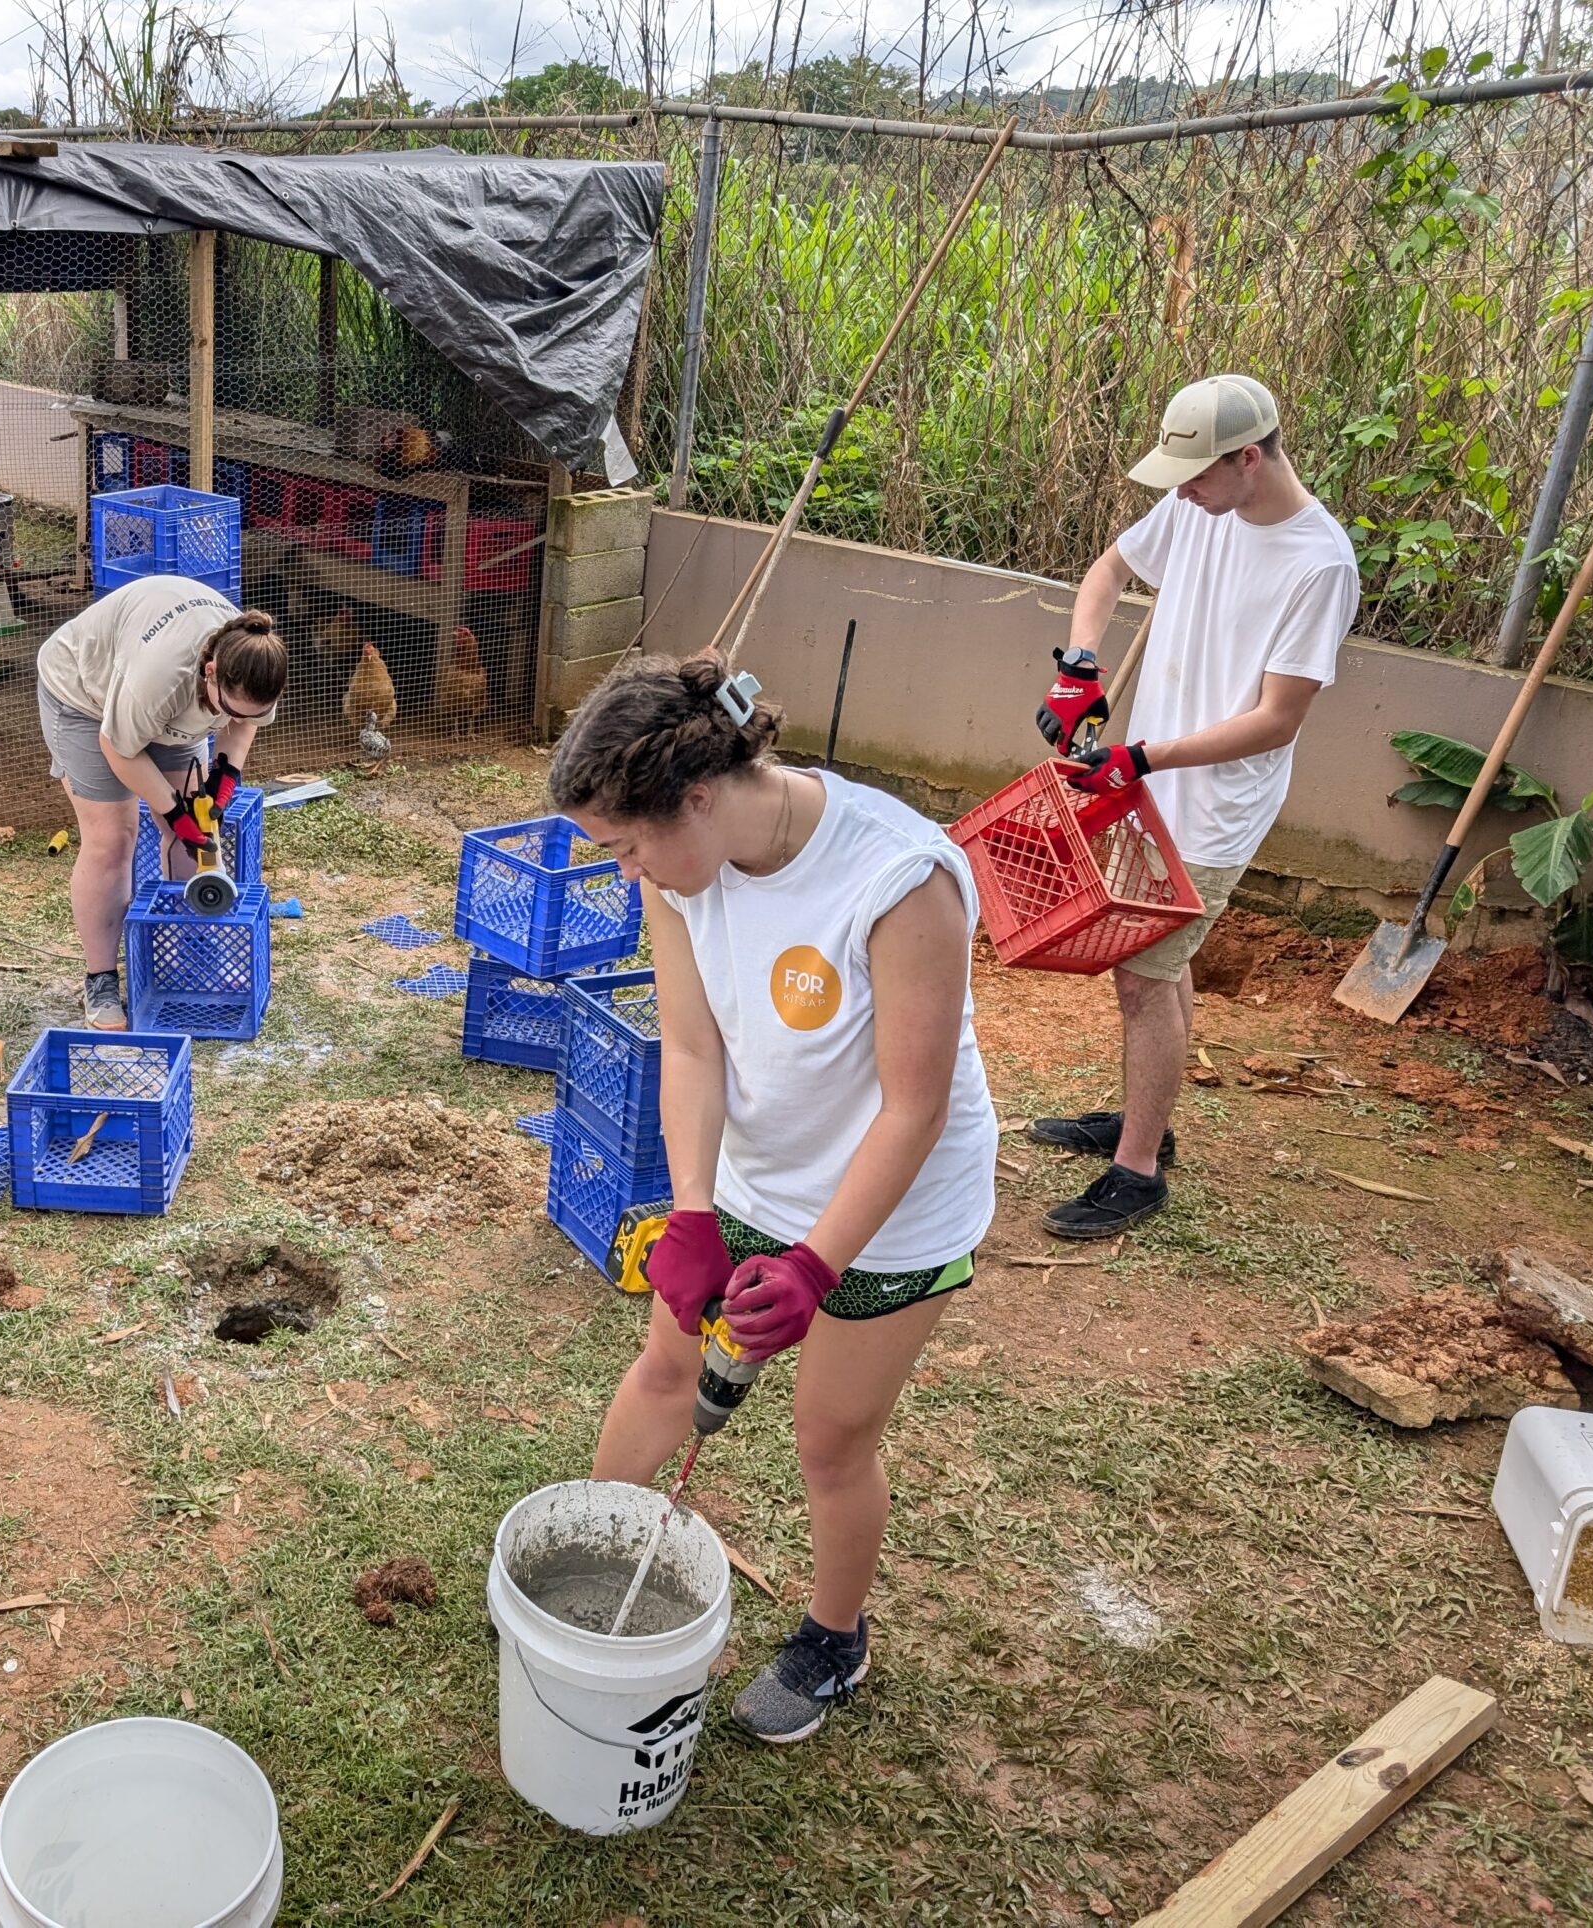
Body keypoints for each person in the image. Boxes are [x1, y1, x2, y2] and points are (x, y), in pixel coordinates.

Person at [553, 654, 998, 1746]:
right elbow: (694, 1047)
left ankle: (831, 1637)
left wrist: (813, 1264)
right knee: (666, 1367)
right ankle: (579, 1559)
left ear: (697, 796)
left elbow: (911, 1105)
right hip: (754, 1174)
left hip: (891, 1208)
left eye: (624, 841)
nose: (623, 867)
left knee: (828, 1437)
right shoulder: (677, 873)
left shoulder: (898, 878)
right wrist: (697, 1208)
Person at [1032, 374, 1359, 1237]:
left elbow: (1275, 720)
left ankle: (1137, 1170)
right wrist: (1079, 666)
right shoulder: (1196, 508)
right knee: (1150, 968)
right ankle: (1148, 1120)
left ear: (1249, 459)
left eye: (1196, 474)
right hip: (1153, 787)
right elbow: (1108, 571)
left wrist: (1142, 753)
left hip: (1216, 804)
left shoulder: (1317, 564)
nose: (1180, 491)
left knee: (1145, 974)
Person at [35, 574, 288, 1029]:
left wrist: (224, 779)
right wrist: (173, 809)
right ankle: (101, 980)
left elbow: (243, 722)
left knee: (196, 830)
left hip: (176, 712)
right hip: (84, 697)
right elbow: (118, 746)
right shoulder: (160, 677)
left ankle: (190, 952)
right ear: (211, 671)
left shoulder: (257, 664)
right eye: (229, 709)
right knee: (113, 838)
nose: (235, 719)